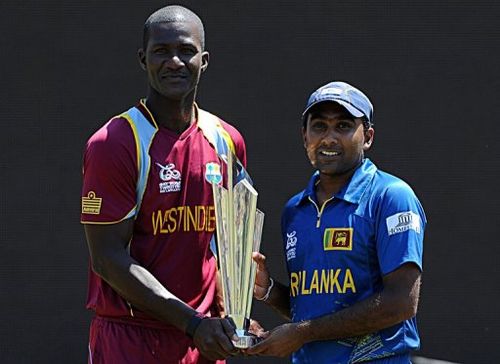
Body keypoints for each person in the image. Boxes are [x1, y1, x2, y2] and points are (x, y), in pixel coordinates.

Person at [81, 5, 251, 363]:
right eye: (162, 51)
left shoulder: (226, 140)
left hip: (202, 339)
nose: (174, 61)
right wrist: (192, 323)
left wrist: (232, 318)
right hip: (131, 338)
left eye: (186, 51)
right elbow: (107, 260)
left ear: (204, 60)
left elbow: (228, 247)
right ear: (143, 59)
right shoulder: (115, 142)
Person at [247, 81, 426, 363]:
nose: (329, 138)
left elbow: (400, 303)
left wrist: (301, 333)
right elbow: (312, 309)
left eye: (343, 126)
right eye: (319, 126)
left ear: (367, 136)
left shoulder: (391, 197)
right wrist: (269, 291)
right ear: (304, 137)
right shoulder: (294, 210)